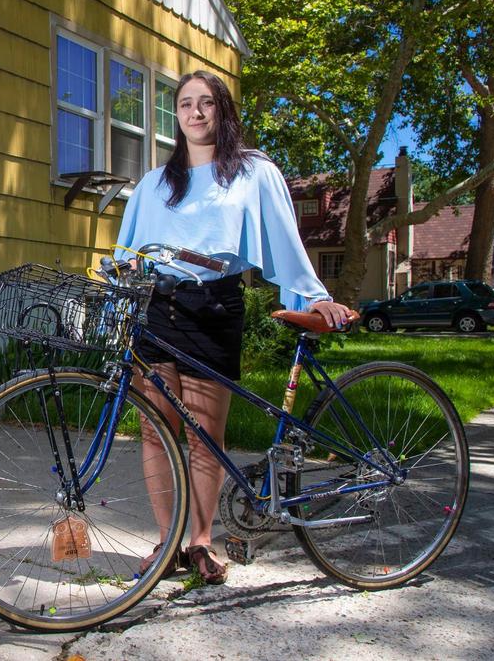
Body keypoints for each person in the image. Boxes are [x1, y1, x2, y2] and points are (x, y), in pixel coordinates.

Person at [113, 69, 352, 585]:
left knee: (204, 435)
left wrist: (314, 295)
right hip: (155, 308)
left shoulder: (251, 172)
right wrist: (122, 279)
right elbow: (126, 250)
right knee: (156, 434)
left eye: (206, 103)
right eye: (184, 105)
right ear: (174, 116)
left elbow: (285, 239)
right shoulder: (154, 184)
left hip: (212, 307)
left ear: (222, 111)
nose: (195, 113)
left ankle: (201, 543)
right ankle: (166, 542)